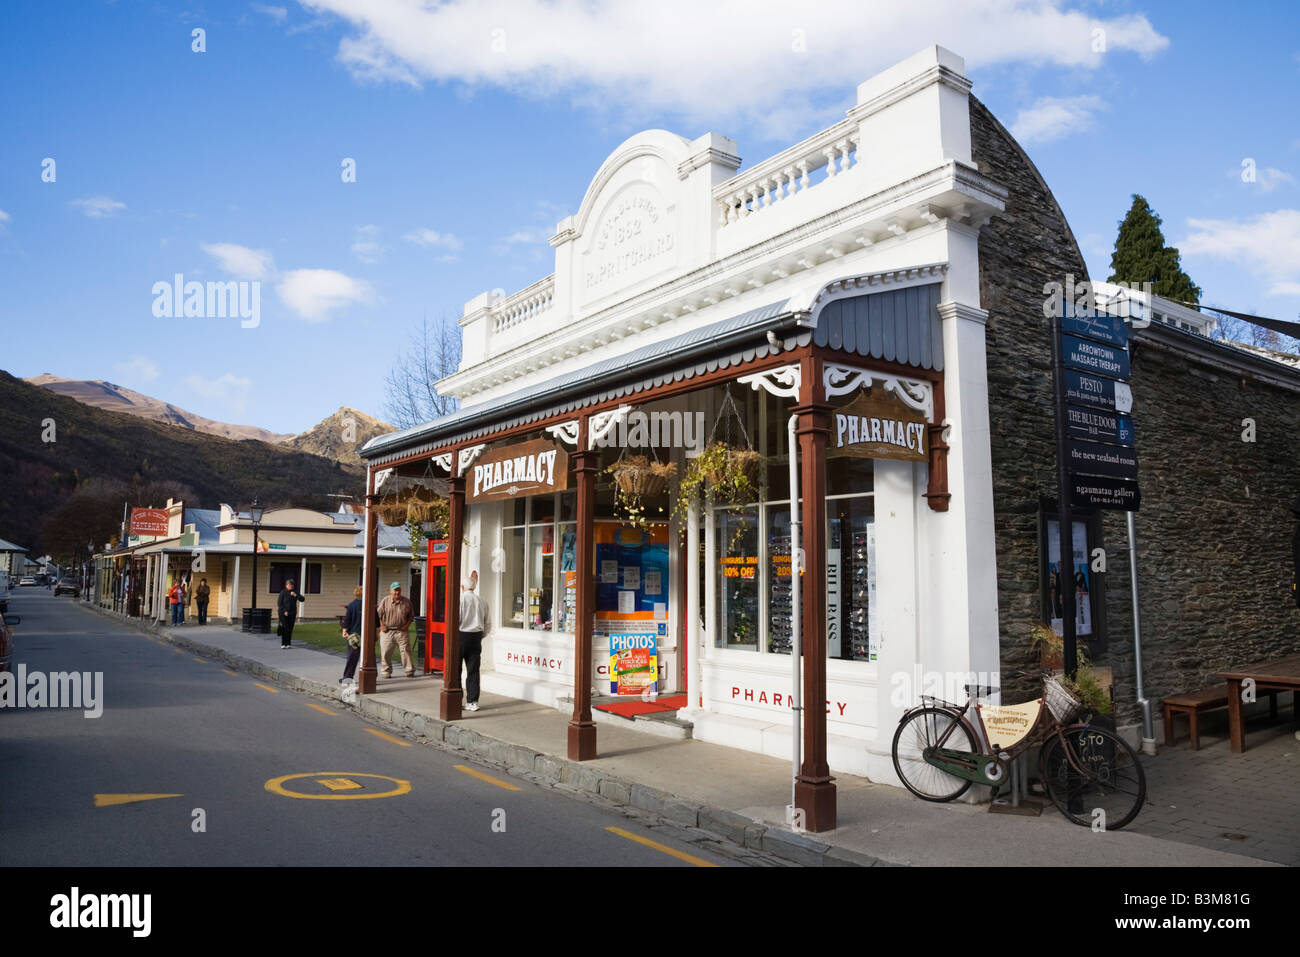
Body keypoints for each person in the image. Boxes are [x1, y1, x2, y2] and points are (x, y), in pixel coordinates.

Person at [458, 570, 490, 712]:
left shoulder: (460, 600)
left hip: (461, 635)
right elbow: (488, 623)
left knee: (456, 670)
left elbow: (456, 619)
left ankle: (456, 700)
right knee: (473, 670)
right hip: (476, 636)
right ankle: (472, 701)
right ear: (474, 587)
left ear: (462, 587)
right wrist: (481, 635)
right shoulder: (482, 601)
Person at [376, 582, 415, 677]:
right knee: (386, 652)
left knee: (406, 651)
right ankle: (386, 671)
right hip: (387, 631)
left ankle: (409, 670)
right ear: (390, 591)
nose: (397, 592)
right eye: (395, 590)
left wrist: (406, 626)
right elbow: (378, 615)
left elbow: (411, 616)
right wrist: (381, 626)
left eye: (398, 590)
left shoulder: (407, 601)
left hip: (401, 631)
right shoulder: (385, 601)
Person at [340, 586, 363, 685]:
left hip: (354, 636)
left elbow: (347, 620)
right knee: (369, 658)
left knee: (352, 657)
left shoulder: (351, 605)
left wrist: (344, 630)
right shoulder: (370, 605)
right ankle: (371, 678)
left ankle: (348, 677)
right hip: (367, 635)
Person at [277, 578, 304, 648]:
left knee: (290, 628)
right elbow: (279, 603)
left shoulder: (295, 592)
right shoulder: (283, 592)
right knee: (285, 627)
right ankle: (283, 644)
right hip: (283, 613)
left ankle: (288, 643)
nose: (291, 586)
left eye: (292, 585)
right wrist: (284, 611)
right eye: (290, 584)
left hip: (292, 612)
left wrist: (295, 595)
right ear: (286, 585)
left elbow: (302, 599)